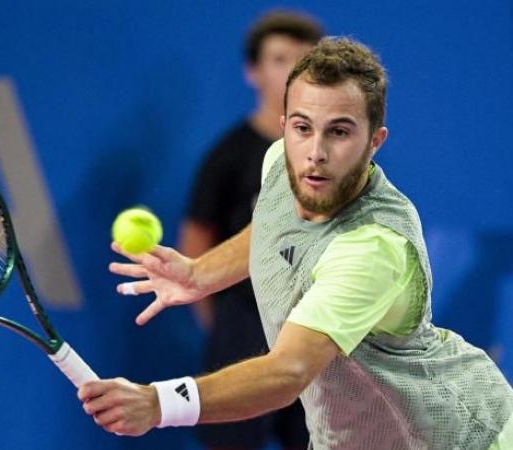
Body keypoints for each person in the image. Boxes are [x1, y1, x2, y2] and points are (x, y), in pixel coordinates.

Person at [79, 37, 513, 449]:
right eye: (303, 128)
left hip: (457, 437)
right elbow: (271, 228)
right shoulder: (282, 166)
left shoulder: (372, 247)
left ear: (375, 141)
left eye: (339, 132)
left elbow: (288, 373)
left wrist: (159, 404)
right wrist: (199, 274)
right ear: (284, 126)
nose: (315, 152)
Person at [179, 10, 322, 450]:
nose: (292, 71)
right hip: (244, 326)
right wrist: (226, 328)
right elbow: (195, 249)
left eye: (304, 60)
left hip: (316, 327)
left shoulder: (331, 156)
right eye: (280, 59)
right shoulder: (228, 156)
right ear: (252, 72)